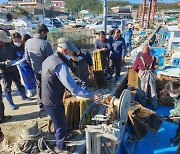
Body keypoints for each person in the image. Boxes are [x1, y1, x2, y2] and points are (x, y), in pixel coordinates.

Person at [42, 37, 100, 153]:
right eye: (70, 52)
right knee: (60, 126)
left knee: (61, 120)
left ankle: (63, 137)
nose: (72, 54)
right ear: (64, 50)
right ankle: (60, 148)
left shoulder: (49, 59)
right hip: (52, 100)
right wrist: (91, 96)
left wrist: (62, 91)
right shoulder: (60, 65)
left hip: (49, 96)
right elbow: (73, 87)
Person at [25, 24, 53, 111]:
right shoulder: (45, 44)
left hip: (36, 70)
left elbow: (27, 58)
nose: (46, 35)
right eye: (45, 34)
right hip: (46, 71)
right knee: (48, 88)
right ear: (42, 33)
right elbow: (51, 60)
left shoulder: (28, 42)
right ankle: (48, 106)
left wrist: (33, 66)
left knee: (39, 86)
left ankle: (41, 105)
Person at [0, 30, 30, 110]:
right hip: (4, 71)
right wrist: (4, 63)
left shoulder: (9, 45)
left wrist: (17, 60)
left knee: (19, 84)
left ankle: (23, 96)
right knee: (7, 88)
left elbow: (14, 54)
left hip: (14, 69)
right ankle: (11, 104)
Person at [132, 45, 158, 110]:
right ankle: (155, 106)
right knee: (152, 90)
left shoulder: (139, 59)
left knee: (143, 90)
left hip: (142, 76)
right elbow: (154, 67)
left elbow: (134, 69)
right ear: (149, 51)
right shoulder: (153, 58)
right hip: (151, 74)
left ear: (142, 51)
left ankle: (143, 106)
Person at [12, 32, 36, 98]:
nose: (17, 42)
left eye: (18, 40)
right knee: (25, 78)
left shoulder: (24, 45)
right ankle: (29, 90)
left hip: (28, 63)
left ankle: (34, 88)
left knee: (32, 75)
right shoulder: (12, 47)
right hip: (20, 65)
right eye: (15, 41)